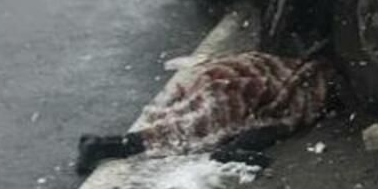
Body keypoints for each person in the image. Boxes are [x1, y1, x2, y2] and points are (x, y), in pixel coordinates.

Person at [75, 50, 338, 174]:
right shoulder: (311, 93)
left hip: (227, 74)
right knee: (193, 129)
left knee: (189, 121)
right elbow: (282, 116)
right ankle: (107, 145)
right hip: (241, 85)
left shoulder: (301, 64)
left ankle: (106, 144)